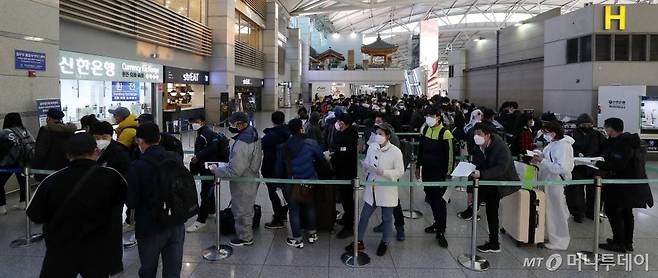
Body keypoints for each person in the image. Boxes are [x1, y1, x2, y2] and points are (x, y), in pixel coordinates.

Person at [27, 133, 127, 277]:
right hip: (98, 249)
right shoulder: (112, 177)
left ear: (68, 155)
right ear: (96, 151)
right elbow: (124, 203)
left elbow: (34, 214)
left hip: (61, 250)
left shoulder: (51, 181)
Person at [126, 123, 186, 278]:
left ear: (139, 141)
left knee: (148, 270)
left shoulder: (137, 166)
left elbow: (132, 201)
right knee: (173, 271)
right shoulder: (176, 158)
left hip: (150, 225)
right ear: (159, 138)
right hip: (176, 221)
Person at [596, 118, 654, 253]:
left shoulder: (622, 143)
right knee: (626, 212)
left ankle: (619, 242)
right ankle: (626, 242)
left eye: (606, 127)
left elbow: (618, 164)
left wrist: (597, 164)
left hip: (621, 185)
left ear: (611, 128)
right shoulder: (629, 141)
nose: (605, 130)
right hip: (630, 184)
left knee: (613, 210)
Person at [347, 123, 404, 256]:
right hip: (372, 187)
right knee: (364, 216)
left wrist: (383, 172)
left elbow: (399, 172)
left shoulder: (395, 151)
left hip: (386, 190)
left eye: (381, 134)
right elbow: (367, 162)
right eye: (377, 133)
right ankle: (359, 240)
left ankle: (385, 242)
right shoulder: (372, 147)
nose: (377, 136)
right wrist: (366, 167)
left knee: (387, 218)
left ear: (388, 136)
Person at [211, 112, 262, 247]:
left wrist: (216, 170)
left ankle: (245, 237)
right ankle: (246, 232)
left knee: (241, 209)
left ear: (241, 124)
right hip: (252, 175)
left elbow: (235, 171)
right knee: (246, 207)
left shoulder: (242, 142)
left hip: (243, 180)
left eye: (233, 124)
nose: (231, 126)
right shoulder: (253, 133)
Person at [470, 123, 520, 253]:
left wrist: (482, 174)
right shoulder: (479, 146)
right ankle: (471, 210)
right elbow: (475, 164)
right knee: (479, 206)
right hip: (486, 181)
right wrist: (470, 190)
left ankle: (494, 243)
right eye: (475, 134)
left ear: (488, 135)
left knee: (492, 211)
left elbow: (501, 169)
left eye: (479, 134)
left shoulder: (501, 147)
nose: (476, 137)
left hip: (500, 182)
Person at [276, 119, 324, 248]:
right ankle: (312, 234)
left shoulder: (284, 146)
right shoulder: (311, 144)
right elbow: (321, 159)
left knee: (294, 211)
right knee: (310, 207)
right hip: (309, 181)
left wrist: (279, 183)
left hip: (292, 182)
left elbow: (279, 168)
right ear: (301, 129)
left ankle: (297, 239)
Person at [531, 121, 573, 250]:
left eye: (546, 133)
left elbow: (561, 167)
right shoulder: (552, 144)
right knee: (550, 210)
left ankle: (560, 241)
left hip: (556, 183)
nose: (544, 135)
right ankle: (551, 235)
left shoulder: (564, 146)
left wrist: (542, 160)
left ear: (554, 133)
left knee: (557, 212)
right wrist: (539, 156)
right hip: (548, 181)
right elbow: (548, 158)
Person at [416, 106, 453, 248]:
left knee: (439, 201)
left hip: (439, 173)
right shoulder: (425, 130)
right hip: (426, 170)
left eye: (431, 116)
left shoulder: (445, 133)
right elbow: (421, 149)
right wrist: (418, 167)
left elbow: (450, 156)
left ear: (438, 117)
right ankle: (436, 224)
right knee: (430, 197)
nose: (428, 118)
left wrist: (448, 174)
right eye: (427, 116)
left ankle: (441, 230)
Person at [186, 116, 222, 232]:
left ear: (203, 122)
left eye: (196, 122)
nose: (194, 124)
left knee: (206, 193)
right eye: (192, 122)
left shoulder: (207, 133)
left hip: (209, 167)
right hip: (206, 167)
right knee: (208, 190)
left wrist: (198, 156)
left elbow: (213, 148)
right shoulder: (202, 132)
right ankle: (211, 210)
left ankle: (201, 220)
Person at [567, 113, 606, 221]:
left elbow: (605, 149)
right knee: (576, 192)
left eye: (589, 124)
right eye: (584, 124)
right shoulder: (572, 135)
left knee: (595, 192)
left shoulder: (598, 135)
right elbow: (568, 148)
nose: (586, 126)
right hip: (577, 167)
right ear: (579, 124)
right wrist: (577, 154)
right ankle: (578, 213)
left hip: (594, 167)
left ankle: (592, 212)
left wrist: (600, 158)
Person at [330, 112, 359, 239]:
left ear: (345, 123)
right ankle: (347, 218)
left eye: (340, 122)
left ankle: (349, 227)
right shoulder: (341, 133)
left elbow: (344, 155)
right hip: (341, 170)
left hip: (347, 172)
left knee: (347, 200)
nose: (338, 123)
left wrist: (333, 157)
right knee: (344, 198)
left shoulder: (349, 137)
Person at [261, 111, 291, 229]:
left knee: (274, 194)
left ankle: (278, 218)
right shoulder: (288, 132)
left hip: (272, 168)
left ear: (272, 120)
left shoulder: (270, 136)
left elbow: (261, 145)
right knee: (282, 192)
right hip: (285, 169)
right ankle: (282, 214)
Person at [0, 113, 35, 214]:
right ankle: (23, 203)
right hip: (24, 161)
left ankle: (1, 207)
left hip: (7, 163)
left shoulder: (5, 132)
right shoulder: (25, 131)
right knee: (23, 182)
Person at [32, 108, 77, 181]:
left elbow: (40, 153)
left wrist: (34, 168)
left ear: (49, 118)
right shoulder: (69, 131)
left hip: (47, 171)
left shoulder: (46, 131)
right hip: (65, 169)